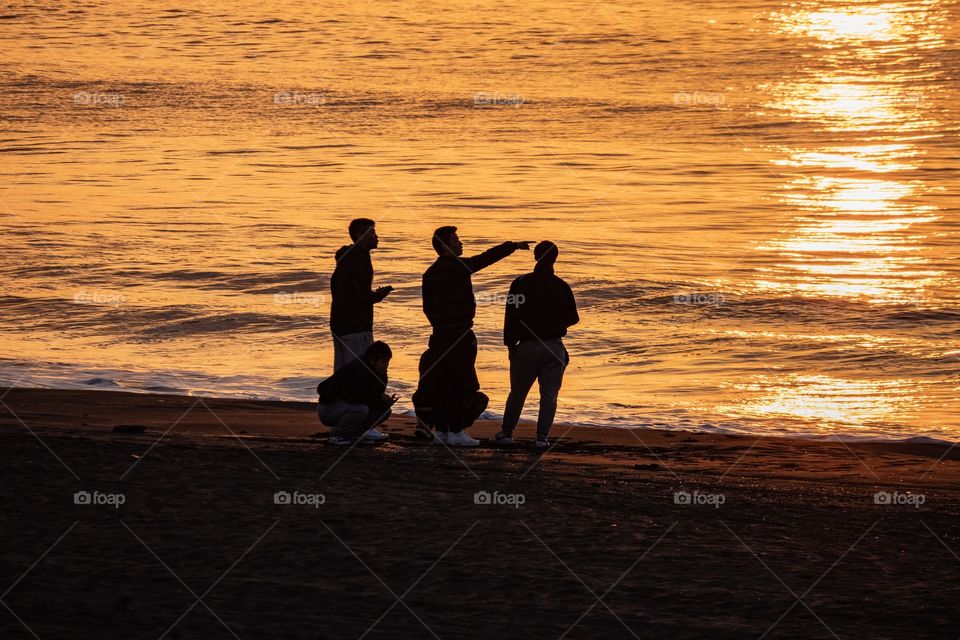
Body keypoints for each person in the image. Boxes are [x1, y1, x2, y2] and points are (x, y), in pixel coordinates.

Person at [412, 226, 531, 446]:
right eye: (456, 240)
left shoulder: (429, 273)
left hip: (440, 334)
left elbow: (427, 307)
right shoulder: (458, 267)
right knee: (459, 382)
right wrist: (511, 246)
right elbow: (485, 259)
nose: (460, 243)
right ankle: (455, 431)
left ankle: (443, 431)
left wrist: (440, 324)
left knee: (443, 382)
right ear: (446, 246)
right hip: (459, 333)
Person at [493, 241, 579, 448]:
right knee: (549, 396)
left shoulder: (520, 283)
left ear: (535, 257)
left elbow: (510, 314)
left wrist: (510, 344)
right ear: (556, 259)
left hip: (527, 345)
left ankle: (506, 433)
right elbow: (573, 318)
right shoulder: (561, 286)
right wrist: (554, 323)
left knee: (518, 393)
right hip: (554, 346)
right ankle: (542, 438)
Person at [329, 218, 393, 371]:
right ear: (359, 236)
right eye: (371, 233)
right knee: (359, 371)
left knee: (342, 372)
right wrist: (380, 294)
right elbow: (362, 297)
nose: (376, 236)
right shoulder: (361, 259)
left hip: (340, 324)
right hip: (356, 325)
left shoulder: (346, 259)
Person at [317, 341, 397, 445]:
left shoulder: (380, 374)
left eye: (387, 362)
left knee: (385, 411)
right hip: (329, 409)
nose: (386, 366)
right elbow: (353, 396)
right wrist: (378, 398)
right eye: (383, 362)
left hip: (347, 407)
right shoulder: (356, 369)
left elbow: (370, 397)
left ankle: (358, 433)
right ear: (372, 360)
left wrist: (384, 402)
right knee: (361, 410)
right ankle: (337, 434)